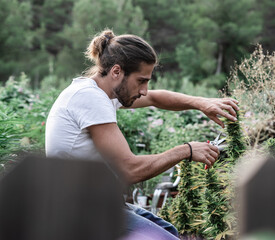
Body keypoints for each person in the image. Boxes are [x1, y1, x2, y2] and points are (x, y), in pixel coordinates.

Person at [45, 29, 239, 239]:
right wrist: (187, 150)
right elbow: (130, 170)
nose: (145, 90)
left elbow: (157, 98)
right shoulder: (90, 98)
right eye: (141, 81)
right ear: (117, 71)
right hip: (81, 212)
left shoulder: (101, 92)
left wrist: (202, 103)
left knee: (168, 231)